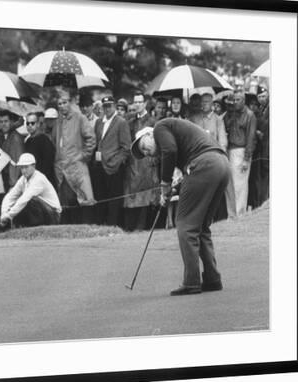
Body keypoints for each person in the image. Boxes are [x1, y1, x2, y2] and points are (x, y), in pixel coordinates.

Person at [131, 118, 230, 296]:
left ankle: (191, 282)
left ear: (149, 134)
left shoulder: (160, 128)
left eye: (143, 146)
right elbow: (184, 169)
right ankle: (212, 279)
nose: (146, 152)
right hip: (221, 164)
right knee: (201, 227)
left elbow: (170, 151)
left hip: (205, 164)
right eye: (143, 153)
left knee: (186, 226)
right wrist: (171, 188)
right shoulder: (174, 137)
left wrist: (165, 184)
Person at [51, 87, 96, 224]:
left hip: (77, 166)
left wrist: (83, 156)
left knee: (83, 198)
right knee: (65, 200)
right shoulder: (58, 121)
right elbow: (55, 141)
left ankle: (84, 227)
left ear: (70, 102)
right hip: (61, 167)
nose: (62, 106)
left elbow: (91, 139)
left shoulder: (80, 118)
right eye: (59, 104)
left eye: (64, 102)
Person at [92, 96, 131, 226]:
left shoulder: (121, 122)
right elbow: (98, 143)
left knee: (114, 199)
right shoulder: (99, 122)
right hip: (100, 165)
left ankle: (113, 225)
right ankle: (101, 224)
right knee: (100, 197)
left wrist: (116, 161)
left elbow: (126, 147)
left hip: (114, 166)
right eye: (105, 106)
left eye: (109, 106)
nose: (107, 109)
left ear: (114, 106)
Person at [123, 92, 159, 231]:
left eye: (140, 102)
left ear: (145, 104)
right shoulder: (130, 122)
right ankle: (131, 227)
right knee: (132, 196)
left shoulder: (153, 121)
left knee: (146, 196)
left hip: (148, 163)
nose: (137, 104)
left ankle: (142, 226)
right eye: (135, 102)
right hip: (134, 163)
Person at [0, 153, 62, 228]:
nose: (24, 170)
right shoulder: (22, 179)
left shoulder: (39, 179)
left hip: (53, 215)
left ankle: (35, 227)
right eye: (22, 167)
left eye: (26, 167)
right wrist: (4, 213)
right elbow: (10, 196)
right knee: (19, 202)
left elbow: (25, 198)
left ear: (33, 166)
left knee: (29, 200)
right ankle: (22, 228)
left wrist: (9, 215)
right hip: (43, 211)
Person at [224, 89, 257, 217]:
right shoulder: (232, 113)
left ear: (244, 101)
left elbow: (251, 138)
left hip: (242, 151)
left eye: (238, 100)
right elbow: (225, 124)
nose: (236, 102)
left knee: (240, 186)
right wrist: (229, 108)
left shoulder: (249, 115)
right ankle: (231, 214)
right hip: (230, 150)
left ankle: (240, 214)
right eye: (234, 99)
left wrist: (246, 159)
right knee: (230, 185)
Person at [249, 86, 270, 208]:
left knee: (265, 178)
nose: (262, 99)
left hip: (266, 148)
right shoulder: (260, 110)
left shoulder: (269, 109)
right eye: (260, 97)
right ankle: (259, 203)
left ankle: (263, 203)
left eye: (264, 96)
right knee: (257, 179)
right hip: (259, 150)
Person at [24, 112, 56, 188]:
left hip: (44, 182)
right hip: (32, 181)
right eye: (27, 123)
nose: (30, 126)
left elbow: (48, 163)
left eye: (32, 123)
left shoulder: (44, 140)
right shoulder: (28, 141)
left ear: (38, 124)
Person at [0, 112, 25, 190]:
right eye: (1, 122)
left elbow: (15, 161)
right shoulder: (7, 136)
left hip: (13, 181)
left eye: (6, 121)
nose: (3, 124)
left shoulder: (15, 138)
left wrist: (13, 184)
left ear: (12, 122)